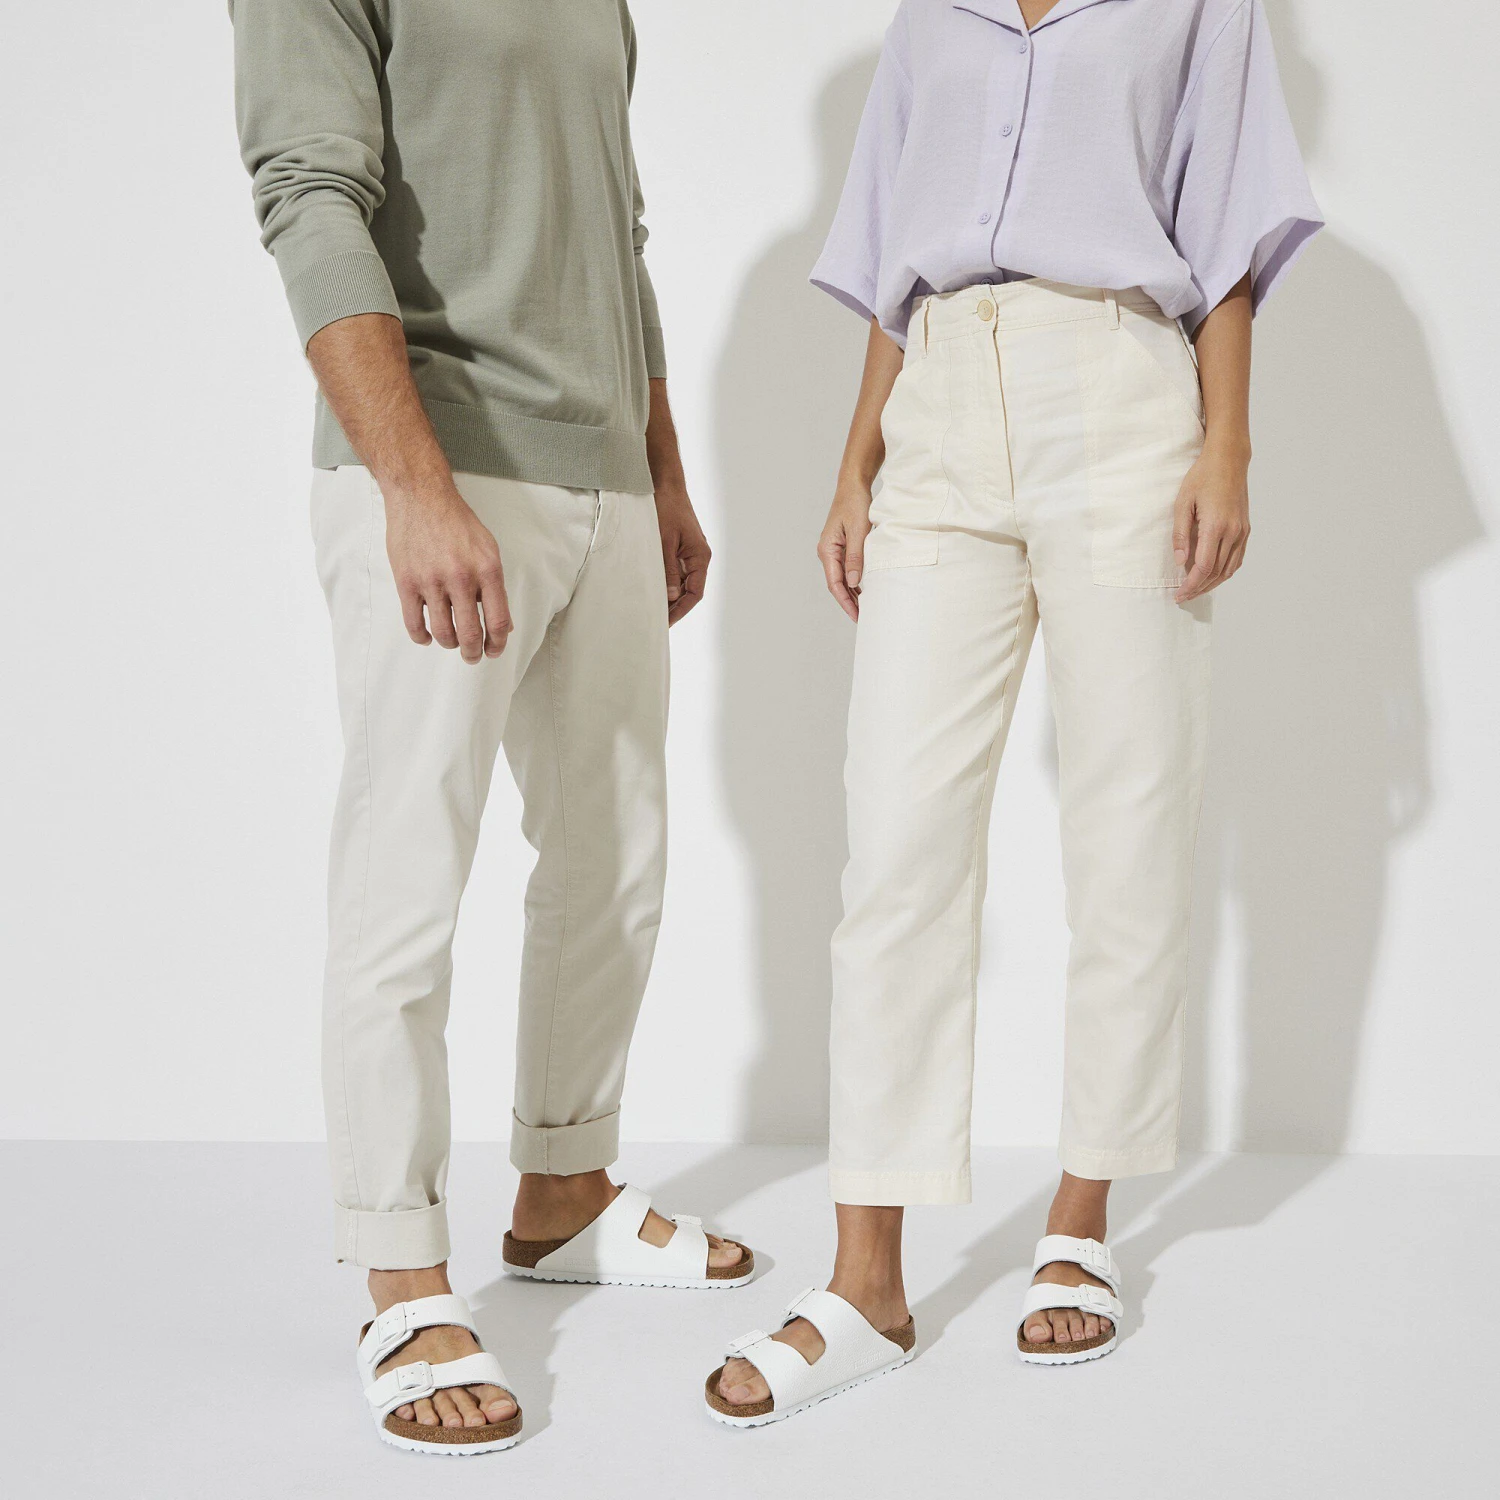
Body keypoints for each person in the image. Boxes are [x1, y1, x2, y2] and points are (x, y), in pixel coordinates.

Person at [706, 0, 1321, 1426]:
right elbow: (891, 258)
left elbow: (1227, 231)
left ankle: (1081, 1214)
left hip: (1120, 389)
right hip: (936, 403)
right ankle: (866, 1280)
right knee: (897, 852)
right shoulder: (931, 15)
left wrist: (1228, 443)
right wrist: (856, 461)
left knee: (1128, 825)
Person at [231, 0, 753, 1457]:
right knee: (407, 875)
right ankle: (401, 1270)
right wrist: (413, 488)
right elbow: (308, 193)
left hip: (601, 479)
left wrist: (658, 470)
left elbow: (617, 236)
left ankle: (564, 1189)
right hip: (441, 459)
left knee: (615, 863)